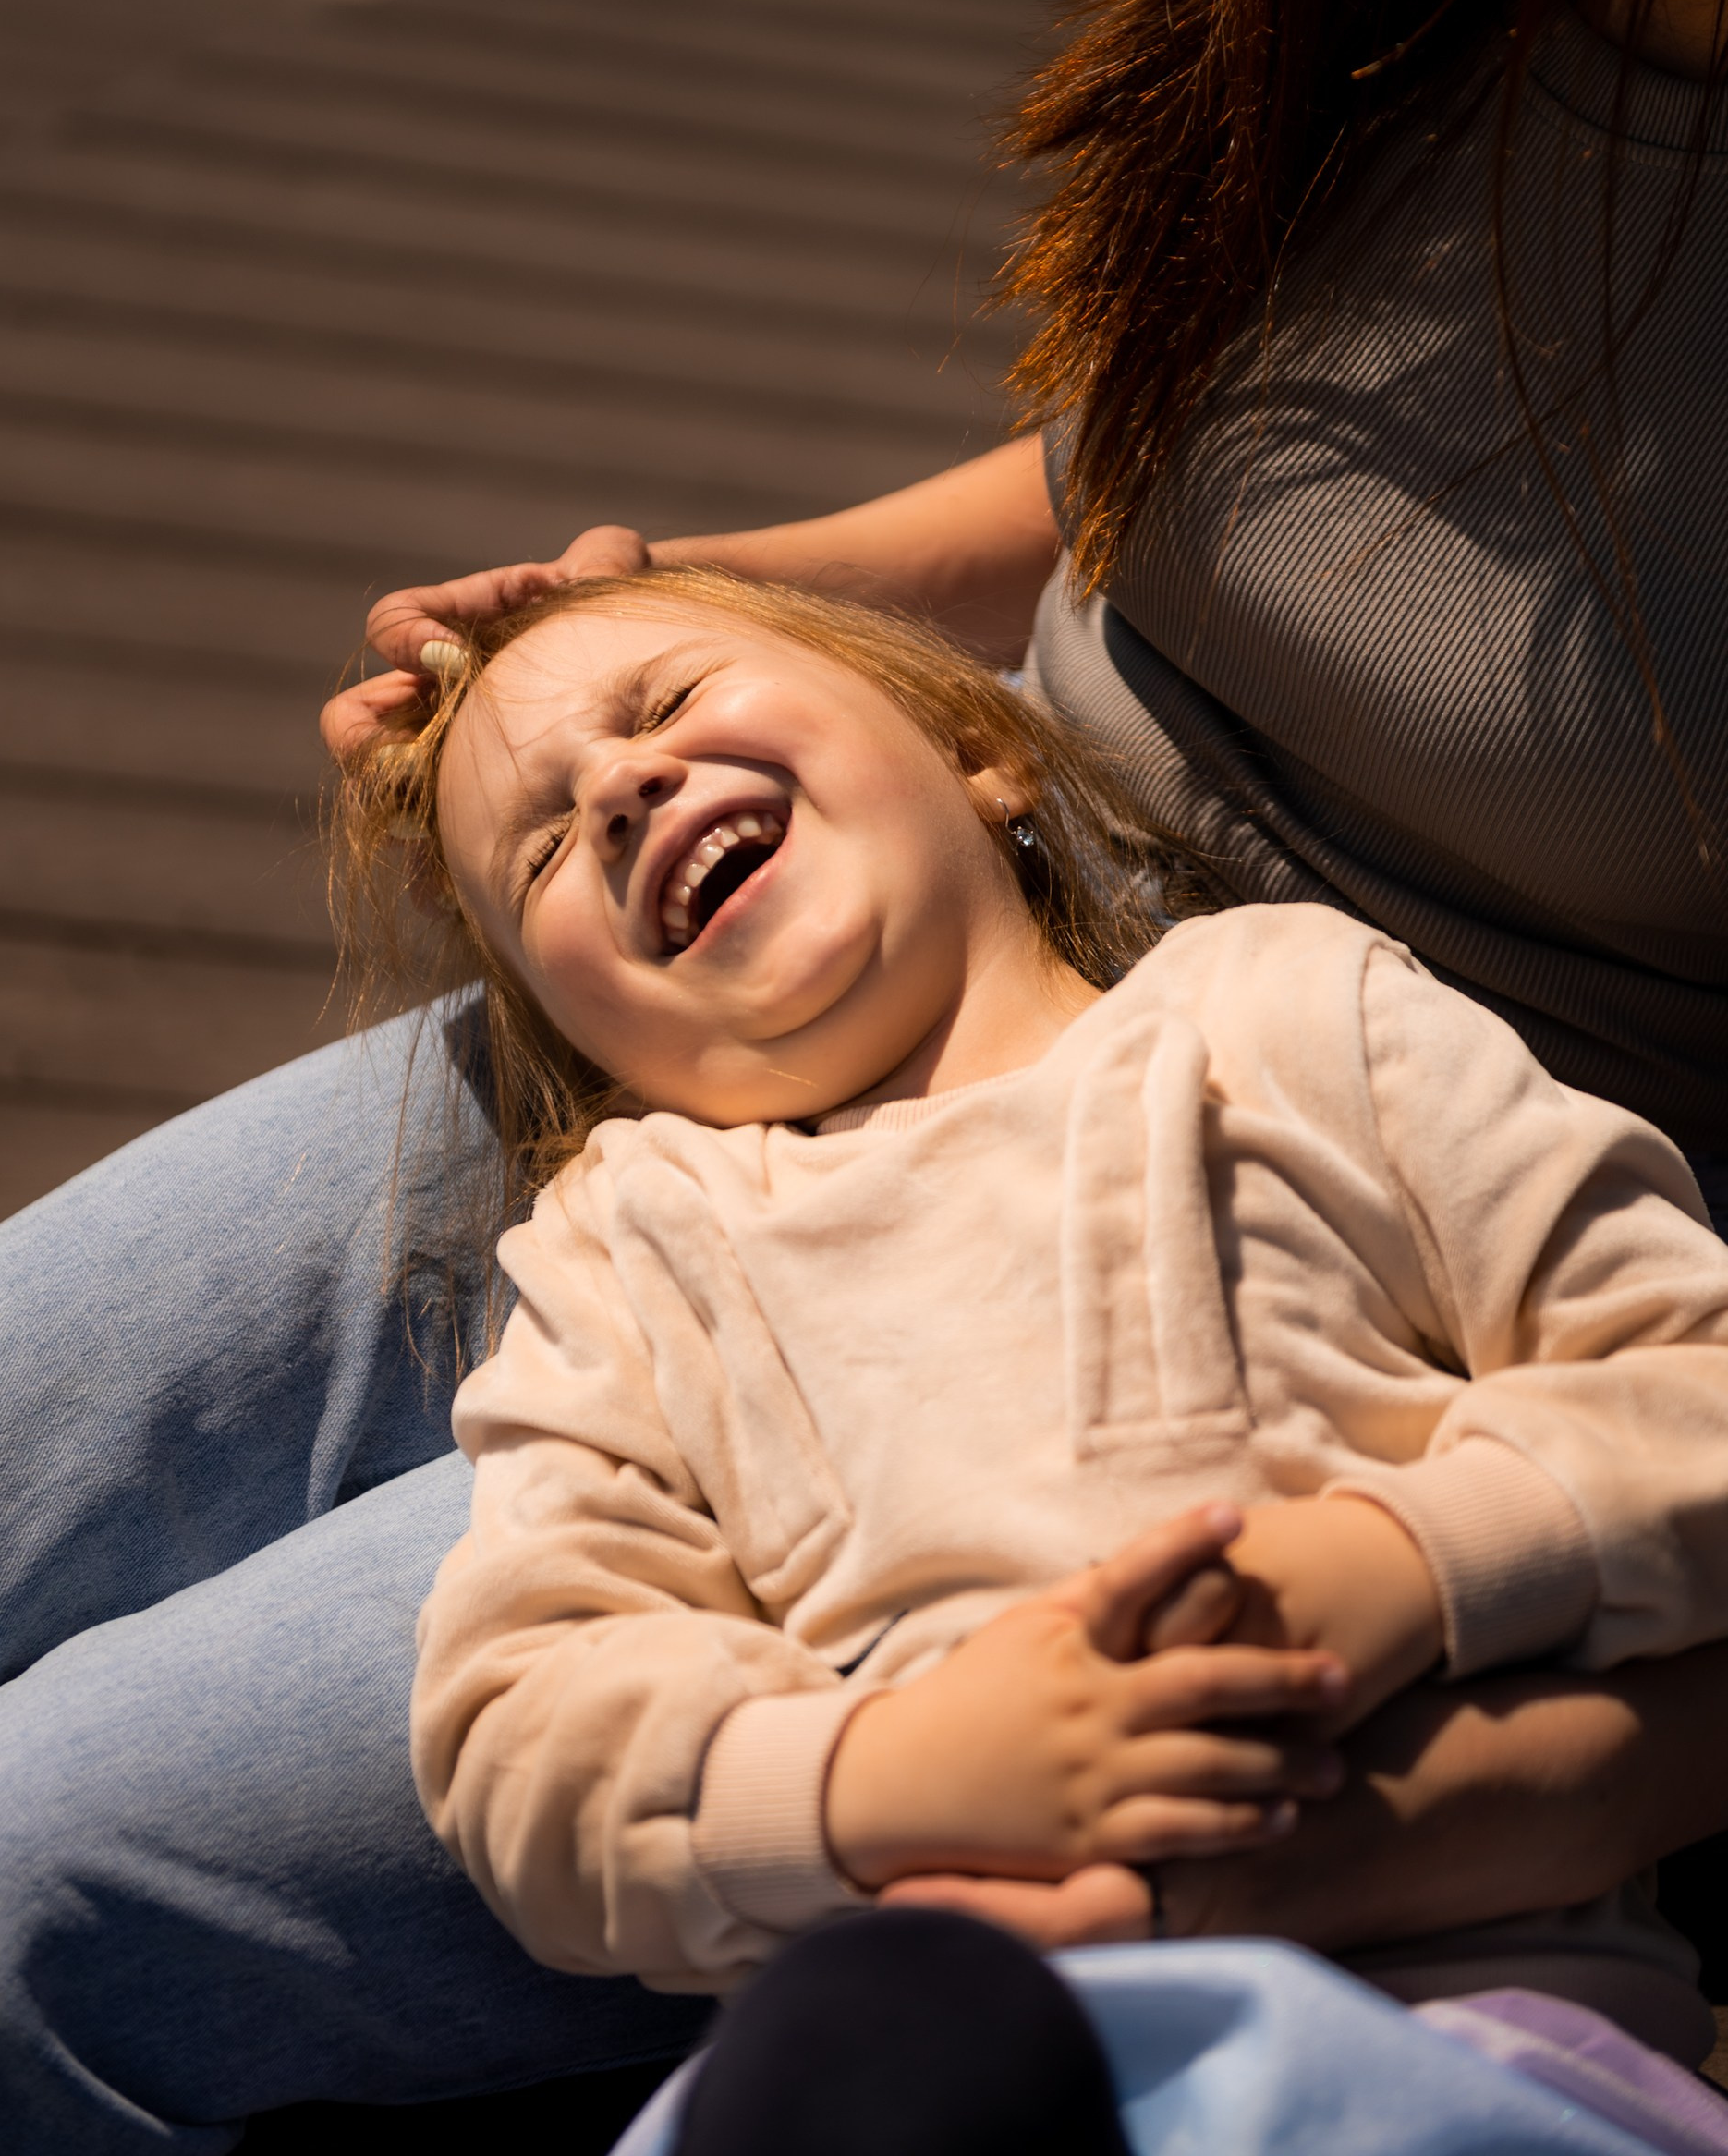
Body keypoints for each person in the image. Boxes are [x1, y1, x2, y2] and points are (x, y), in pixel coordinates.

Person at [0, 0, 1728, 2143]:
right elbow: (1194, 464)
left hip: (1286, 1272)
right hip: (827, 968)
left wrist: (1452, 1772)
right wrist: (707, 621)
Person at [363, 561, 1728, 2131]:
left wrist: (1401, 1567)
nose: (618, 786)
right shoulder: (631, 1252)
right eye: (542, 849)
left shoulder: (1290, 1013)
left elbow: (1688, 1381)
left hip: (1453, 2052)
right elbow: (520, 1732)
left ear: (975, 747)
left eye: (665, 703)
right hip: (913, 2049)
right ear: (587, 1044)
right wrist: (894, 1768)